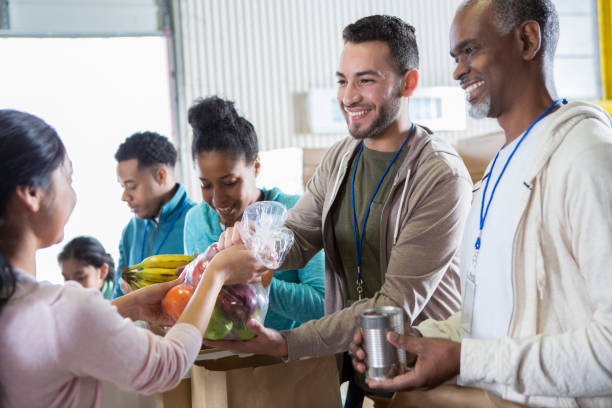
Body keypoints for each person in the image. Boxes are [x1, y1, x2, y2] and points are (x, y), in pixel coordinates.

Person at [350, 1, 612, 407]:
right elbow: (489, 321)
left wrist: (465, 359)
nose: (457, 70)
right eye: (456, 57)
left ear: (527, 40)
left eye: (471, 50)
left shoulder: (586, 160)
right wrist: (419, 341)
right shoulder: (498, 171)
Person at [207, 15, 473, 407]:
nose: (348, 96)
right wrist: (249, 251)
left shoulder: (440, 176)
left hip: (423, 378)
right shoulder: (340, 158)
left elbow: (392, 304)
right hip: (361, 366)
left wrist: (288, 343)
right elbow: (296, 236)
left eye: (365, 80)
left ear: (408, 82)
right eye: (341, 80)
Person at [0, 109, 265, 408]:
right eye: (68, 177)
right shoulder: (62, 309)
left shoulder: (23, 307)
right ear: (32, 194)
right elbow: (168, 364)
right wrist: (216, 274)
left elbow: (67, 332)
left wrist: (129, 307)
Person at [183, 95, 325, 331]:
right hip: (219, 360)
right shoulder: (195, 221)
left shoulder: (295, 213)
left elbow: (322, 305)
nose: (217, 199)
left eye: (229, 182)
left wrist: (257, 277)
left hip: (287, 361)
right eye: (206, 185)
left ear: (256, 166)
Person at [112, 131, 196, 298]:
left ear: (161, 176)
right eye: (123, 187)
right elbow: (117, 295)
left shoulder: (198, 221)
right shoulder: (132, 229)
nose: (124, 197)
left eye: (132, 186)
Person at [58, 236, 116, 300]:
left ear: (103, 271)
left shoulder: (120, 301)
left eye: (80, 278)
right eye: (66, 279)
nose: (72, 288)